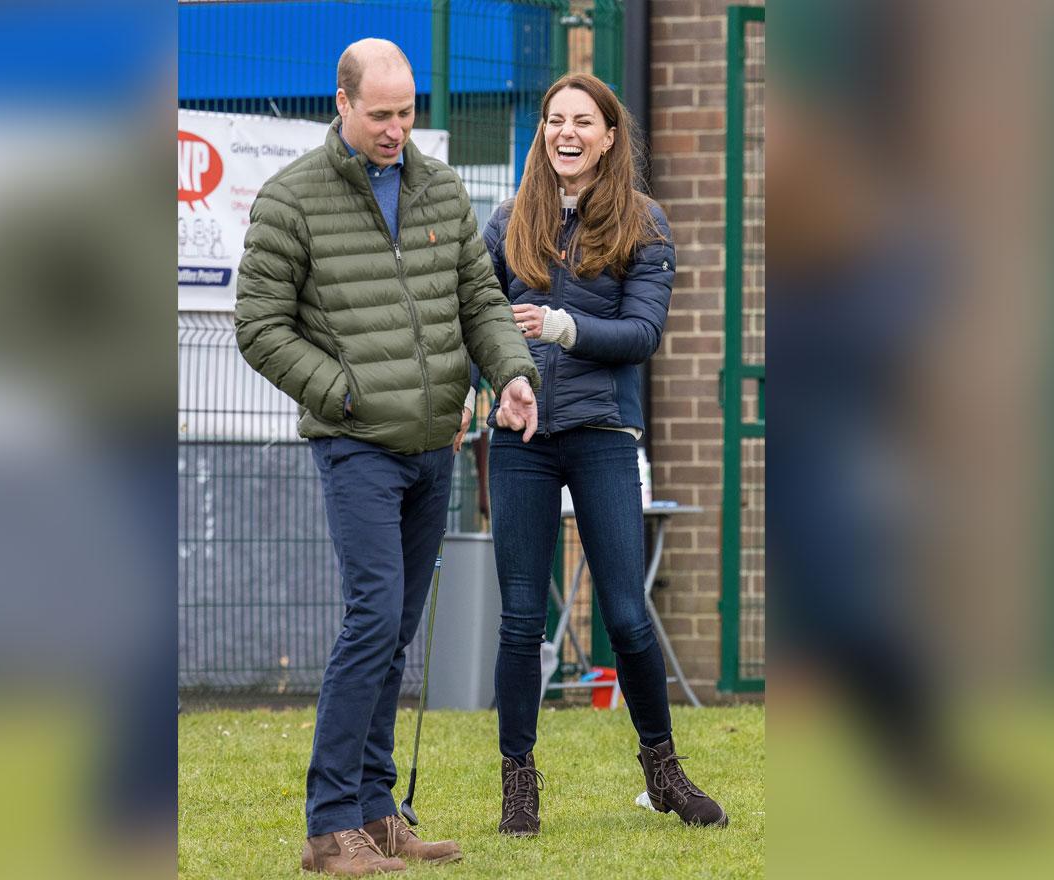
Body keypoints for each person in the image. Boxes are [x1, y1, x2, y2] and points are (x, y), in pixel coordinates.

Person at [234, 38, 541, 876]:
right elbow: (258, 327)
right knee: (374, 617)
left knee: (395, 629)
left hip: (432, 446)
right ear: (342, 104)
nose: (396, 130)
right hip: (355, 446)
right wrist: (343, 395)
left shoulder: (439, 185)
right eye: (381, 114)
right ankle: (329, 826)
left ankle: (377, 813)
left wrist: (511, 373)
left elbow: (480, 299)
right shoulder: (290, 198)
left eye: (407, 114)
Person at [477, 73, 728, 836]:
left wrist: (562, 328)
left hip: (602, 438)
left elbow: (642, 337)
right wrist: (486, 384)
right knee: (521, 620)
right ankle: (519, 786)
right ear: (543, 133)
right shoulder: (504, 224)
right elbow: (479, 321)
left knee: (625, 612)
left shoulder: (645, 224)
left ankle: (664, 773)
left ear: (610, 135)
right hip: (520, 440)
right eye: (555, 120)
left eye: (583, 121)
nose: (566, 133)